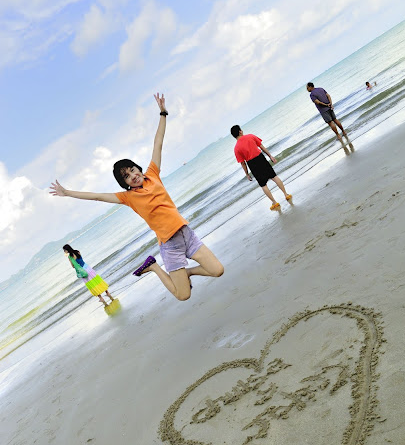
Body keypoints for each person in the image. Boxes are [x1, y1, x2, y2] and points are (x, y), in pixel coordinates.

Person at [51, 94, 224, 302]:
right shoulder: (128, 197)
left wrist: (163, 113)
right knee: (183, 295)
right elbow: (97, 196)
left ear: (138, 168)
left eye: (132, 170)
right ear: (125, 183)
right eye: (126, 176)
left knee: (218, 270)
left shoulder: (153, 174)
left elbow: (158, 143)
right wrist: (68, 192)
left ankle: (186, 273)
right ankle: (154, 267)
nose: (132, 175)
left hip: (186, 233)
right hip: (170, 245)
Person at [230, 125, 292, 210]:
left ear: (234, 136)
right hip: (260, 158)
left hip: (252, 164)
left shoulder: (236, 148)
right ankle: (286, 194)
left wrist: (247, 174)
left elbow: (243, 163)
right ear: (240, 131)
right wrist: (270, 156)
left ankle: (274, 202)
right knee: (274, 177)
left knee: (263, 184)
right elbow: (261, 147)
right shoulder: (250, 136)